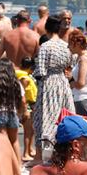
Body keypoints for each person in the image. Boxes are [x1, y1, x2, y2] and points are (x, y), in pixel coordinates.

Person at [31, 16, 71, 164]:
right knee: (63, 116)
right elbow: (69, 64)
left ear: (47, 29)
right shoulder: (65, 45)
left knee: (45, 119)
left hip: (48, 83)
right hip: (63, 82)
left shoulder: (45, 46)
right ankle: (63, 152)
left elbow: (40, 71)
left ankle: (43, 156)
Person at [0, 57, 25, 165]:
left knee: (3, 142)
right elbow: (23, 100)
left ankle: (7, 166)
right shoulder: (16, 83)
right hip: (13, 113)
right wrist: (21, 112)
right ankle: (18, 165)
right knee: (14, 141)